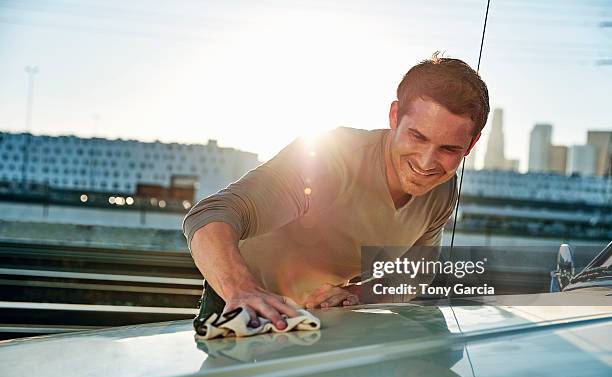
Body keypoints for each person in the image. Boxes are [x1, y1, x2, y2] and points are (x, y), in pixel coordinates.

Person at [183, 52, 489, 331]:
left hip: (321, 321)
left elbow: (416, 271)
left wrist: (355, 294)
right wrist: (242, 289)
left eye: (449, 148)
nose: (426, 163)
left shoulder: (443, 188)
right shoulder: (332, 158)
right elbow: (211, 215)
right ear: (395, 117)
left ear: (471, 145)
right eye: (417, 136)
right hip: (240, 305)